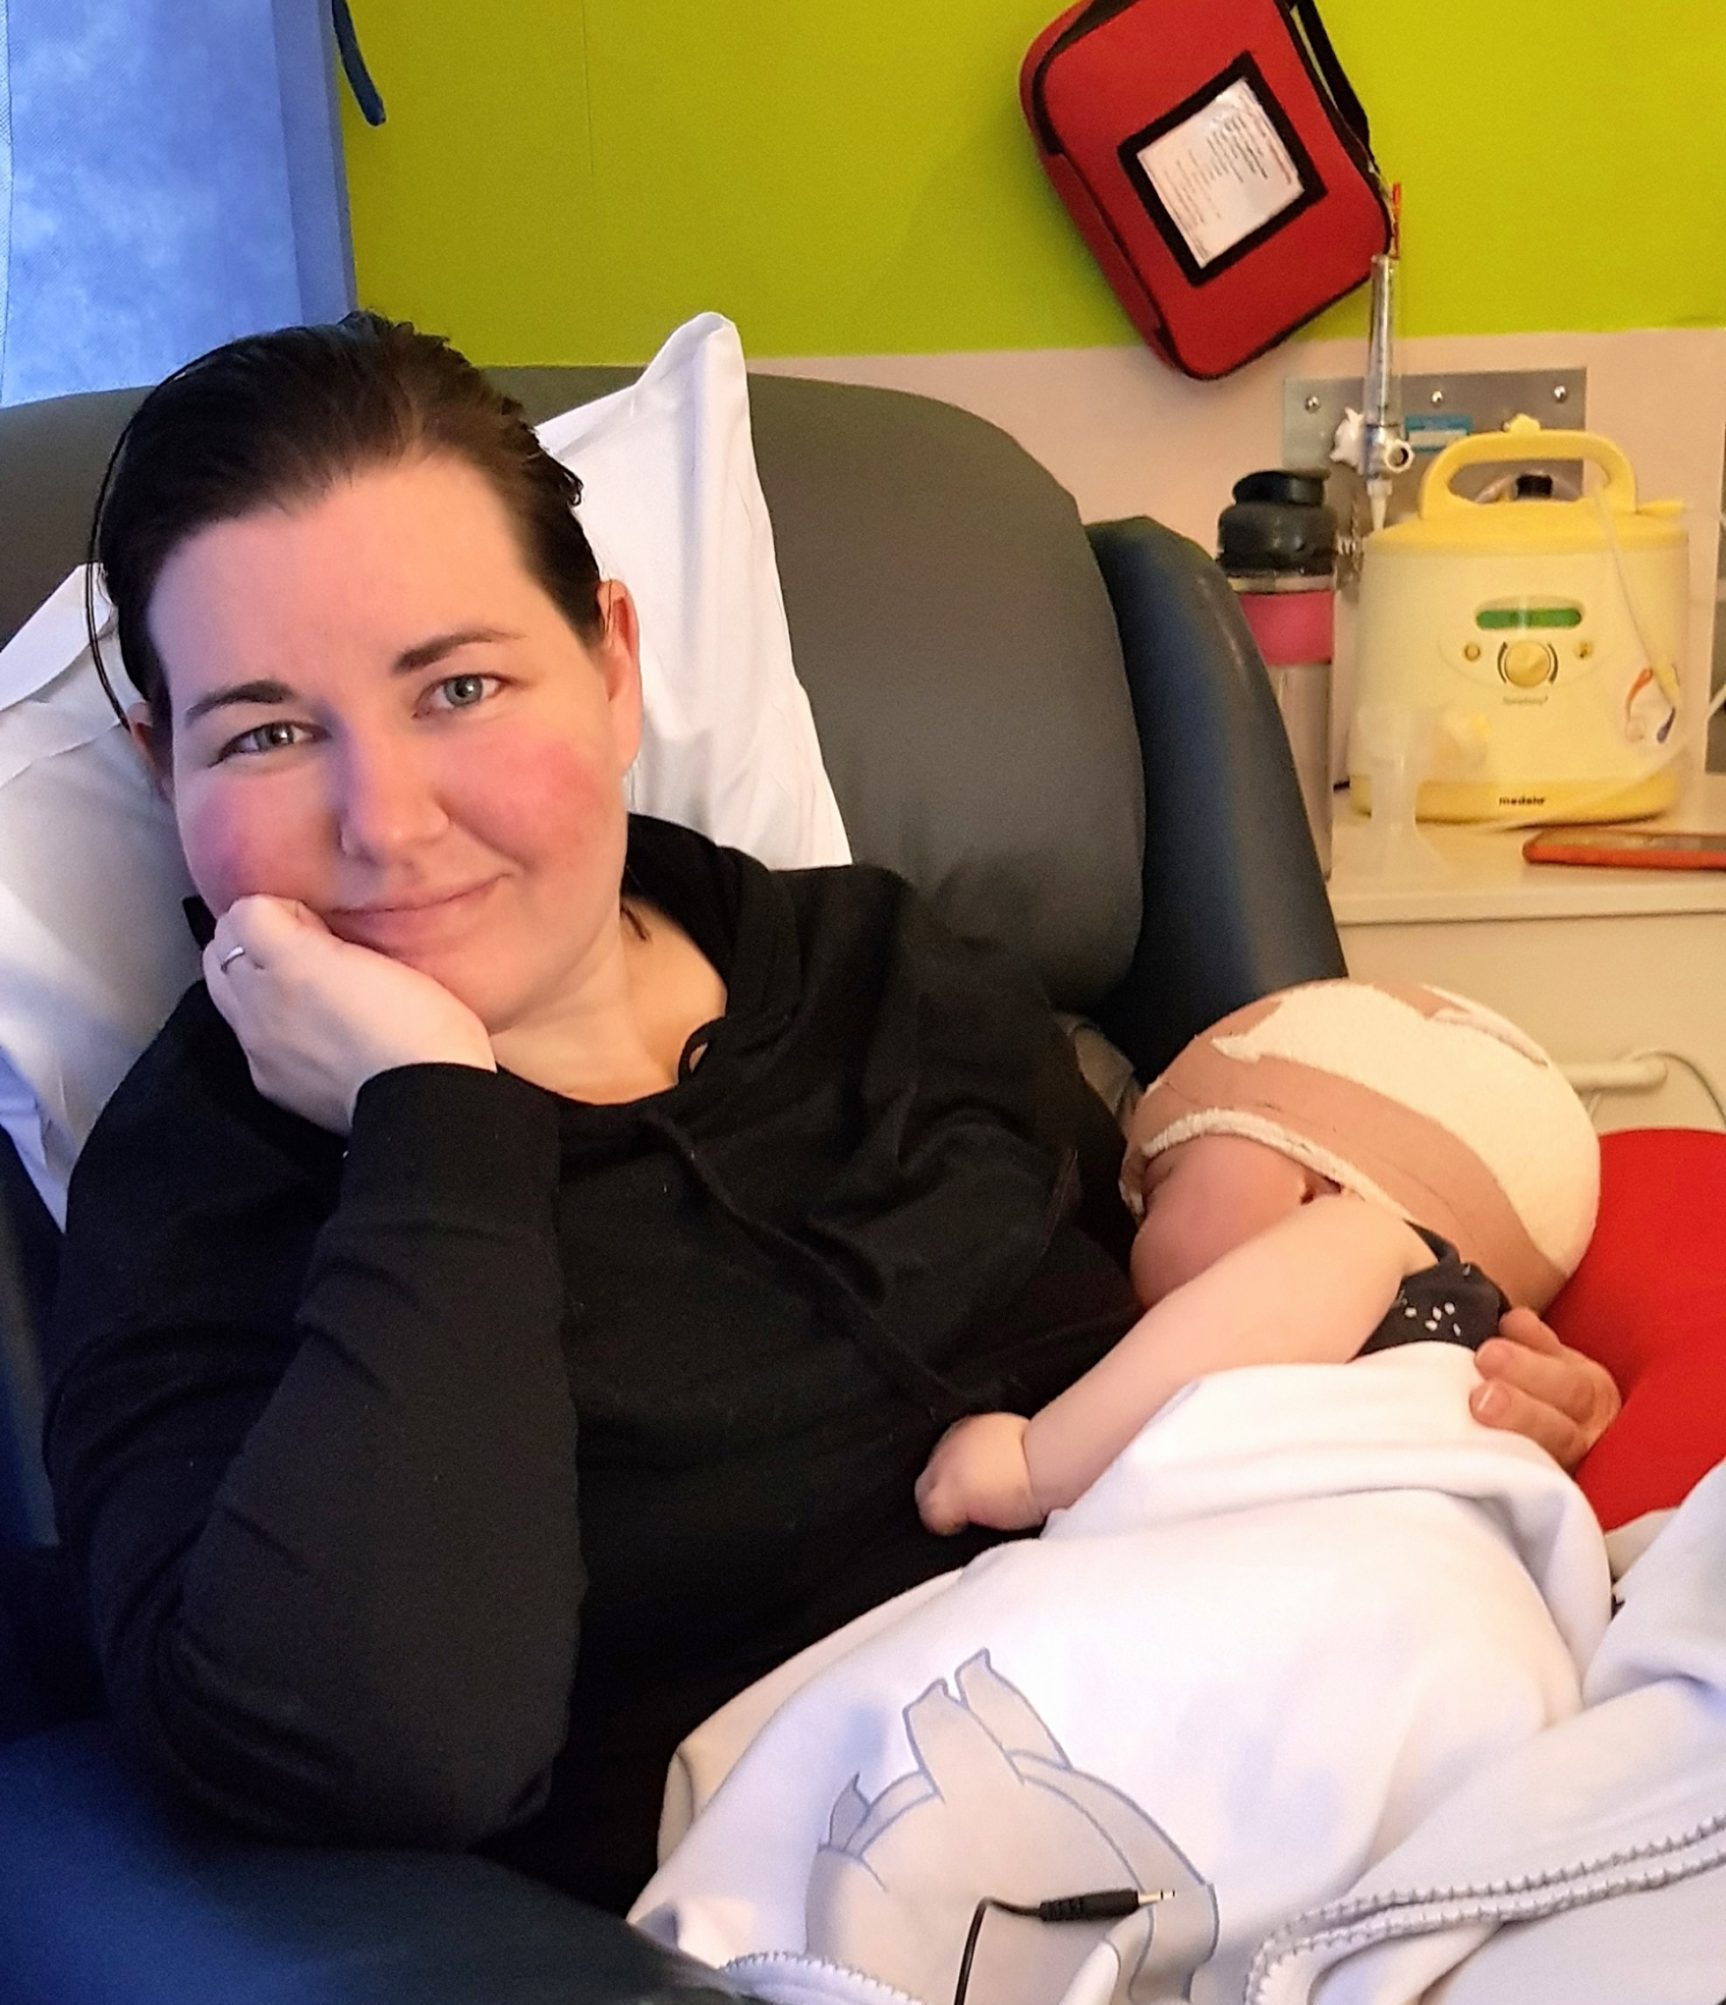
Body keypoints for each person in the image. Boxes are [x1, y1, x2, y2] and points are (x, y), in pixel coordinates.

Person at [41, 314, 1621, 1917]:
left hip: (1358, 1742)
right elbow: (381, 1748)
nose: (384, 821)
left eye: (457, 685)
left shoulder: (872, 968)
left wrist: (1449, 1365)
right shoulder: (202, 1192)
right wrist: (433, 1118)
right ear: (162, 764)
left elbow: (1185, 1317)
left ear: (609, 665)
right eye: (266, 733)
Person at [916, 978, 1602, 1535]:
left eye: (1161, 1189)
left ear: (1314, 1189)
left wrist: (1034, 1466)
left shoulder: (1362, 1237)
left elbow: (1251, 1320)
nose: (1132, 1239)